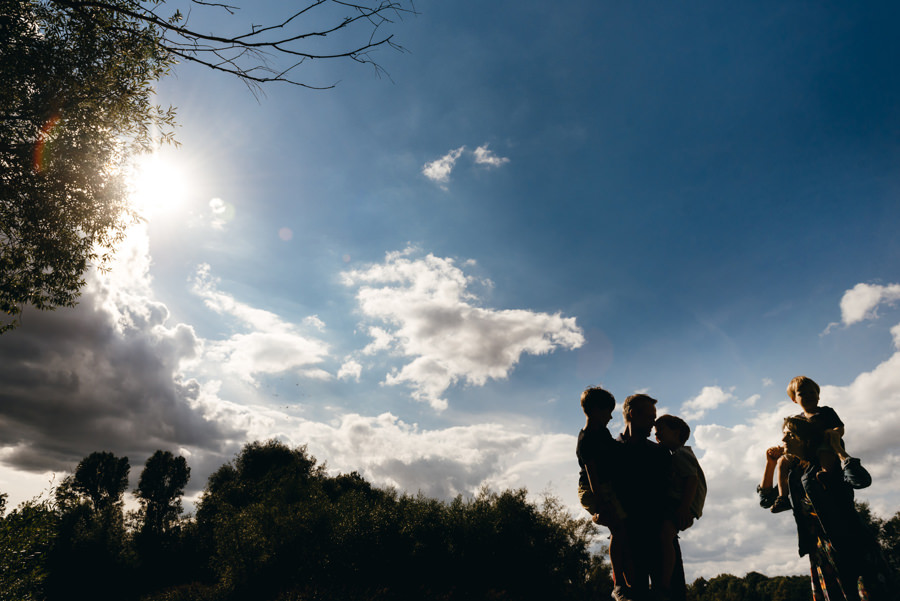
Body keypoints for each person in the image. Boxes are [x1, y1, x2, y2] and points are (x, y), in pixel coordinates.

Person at [759, 416, 894, 599]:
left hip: (852, 545)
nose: (783, 440)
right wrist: (770, 464)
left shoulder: (825, 464)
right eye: (784, 435)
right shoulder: (795, 474)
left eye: (789, 435)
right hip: (821, 551)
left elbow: (861, 480)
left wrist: (838, 448)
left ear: (805, 440)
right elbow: (766, 501)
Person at [615, 394, 686, 601]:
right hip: (630, 541)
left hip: (662, 540)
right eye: (649, 417)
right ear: (632, 414)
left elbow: (677, 488)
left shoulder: (661, 453)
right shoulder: (613, 451)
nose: (654, 422)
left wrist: (683, 512)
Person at [575, 386, 633, 594]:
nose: (610, 416)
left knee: (622, 530)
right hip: (593, 488)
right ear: (597, 410)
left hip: (605, 486)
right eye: (608, 412)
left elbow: (614, 450)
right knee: (617, 528)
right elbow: (592, 475)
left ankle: (627, 580)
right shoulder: (587, 439)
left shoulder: (603, 432)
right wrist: (600, 505)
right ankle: (618, 583)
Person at [771, 376, 846, 513]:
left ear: (818, 395)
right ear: (794, 399)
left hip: (824, 446)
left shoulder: (826, 412)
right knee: (782, 462)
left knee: (824, 449)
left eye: (812, 392)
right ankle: (783, 498)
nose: (808, 396)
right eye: (802, 394)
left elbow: (840, 428)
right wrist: (782, 450)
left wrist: (834, 433)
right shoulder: (797, 419)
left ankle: (827, 476)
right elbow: (794, 440)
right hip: (804, 453)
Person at [653, 414, 706, 601]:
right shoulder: (677, 454)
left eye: (661, 431)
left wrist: (684, 508)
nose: (656, 435)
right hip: (680, 503)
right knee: (666, 536)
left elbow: (692, 480)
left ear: (676, 432)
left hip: (681, 503)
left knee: (665, 535)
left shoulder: (681, 454)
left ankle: (664, 584)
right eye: (655, 432)